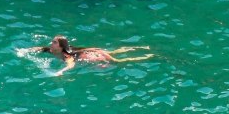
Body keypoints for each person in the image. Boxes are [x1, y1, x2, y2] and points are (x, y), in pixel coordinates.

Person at [21, 35, 153, 76]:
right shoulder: (51, 50)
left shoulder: (67, 55)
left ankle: (145, 57)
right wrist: (25, 51)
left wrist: (60, 71)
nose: (52, 43)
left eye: (54, 42)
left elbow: (71, 64)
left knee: (117, 61)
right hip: (92, 52)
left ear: (61, 47)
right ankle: (141, 47)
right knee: (114, 52)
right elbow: (40, 48)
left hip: (94, 55)